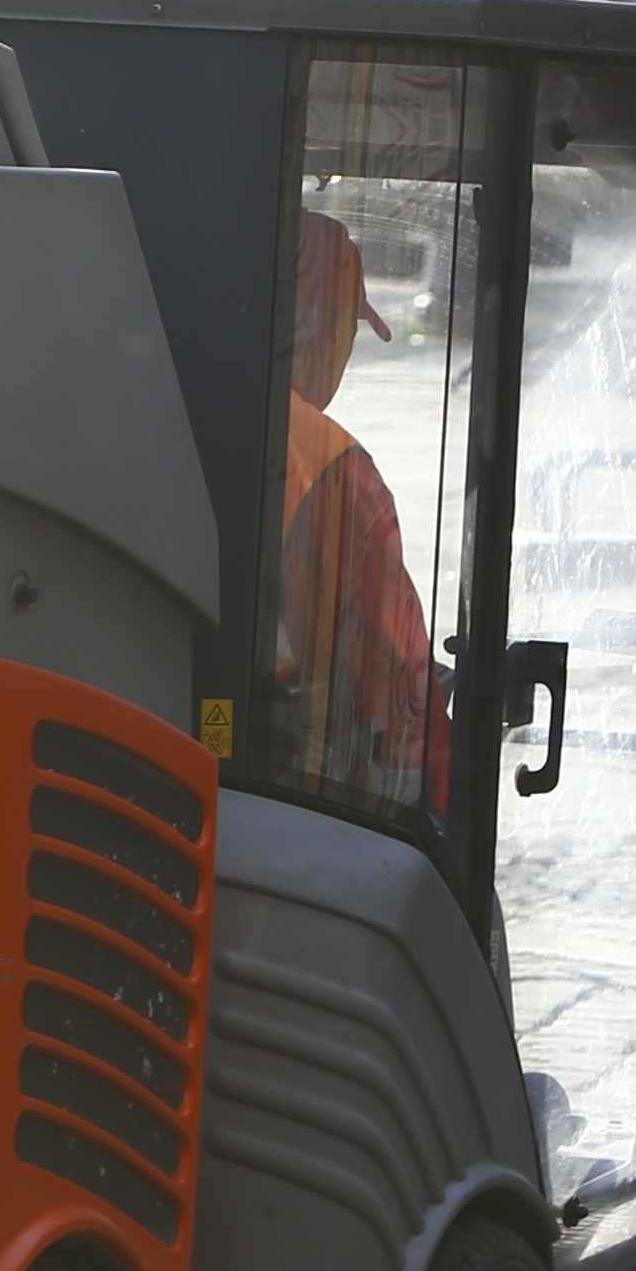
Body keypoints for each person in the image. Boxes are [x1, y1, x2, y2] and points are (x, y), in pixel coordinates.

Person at [270, 206, 443, 817]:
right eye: (347, 330)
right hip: (287, 799)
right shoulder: (330, 465)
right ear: (316, 334)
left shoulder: (154, 410)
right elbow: (395, 670)